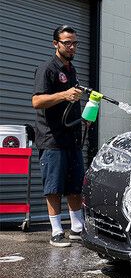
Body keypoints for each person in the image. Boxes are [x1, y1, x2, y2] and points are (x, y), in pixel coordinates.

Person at [32, 25, 85, 247]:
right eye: (67, 43)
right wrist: (64, 94)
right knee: (53, 187)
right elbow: (37, 102)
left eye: (74, 43)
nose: (72, 47)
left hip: (72, 136)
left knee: (75, 185)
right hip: (52, 138)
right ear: (56, 44)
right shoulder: (47, 69)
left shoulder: (71, 70)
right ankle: (56, 231)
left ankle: (77, 228)